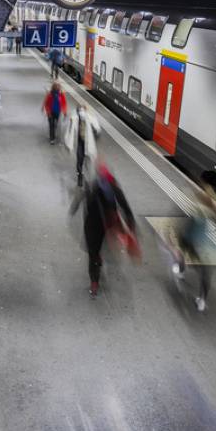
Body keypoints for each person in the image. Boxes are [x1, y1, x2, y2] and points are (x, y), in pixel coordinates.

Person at [70, 162, 137, 297]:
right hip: (107, 225)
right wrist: (131, 225)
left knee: (92, 253)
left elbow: (79, 199)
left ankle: (94, 282)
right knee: (99, 248)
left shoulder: (92, 186)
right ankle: (97, 266)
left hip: (92, 226)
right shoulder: (113, 188)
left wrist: (73, 210)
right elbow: (125, 207)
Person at [166, 176, 216, 312]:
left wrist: (172, 241)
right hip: (201, 244)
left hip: (189, 240)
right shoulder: (209, 209)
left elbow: (180, 224)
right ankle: (202, 300)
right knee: (205, 273)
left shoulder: (194, 207)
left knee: (182, 254)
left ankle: (180, 270)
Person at [64, 105, 101, 186]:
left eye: (83, 111)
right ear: (78, 112)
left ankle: (89, 179)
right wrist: (68, 142)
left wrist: (96, 131)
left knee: (89, 161)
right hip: (80, 143)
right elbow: (69, 131)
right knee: (79, 160)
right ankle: (80, 176)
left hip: (88, 144)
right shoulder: (74, 119)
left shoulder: (90, 118)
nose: (82, 113)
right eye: (80, 111)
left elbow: (97, 127)